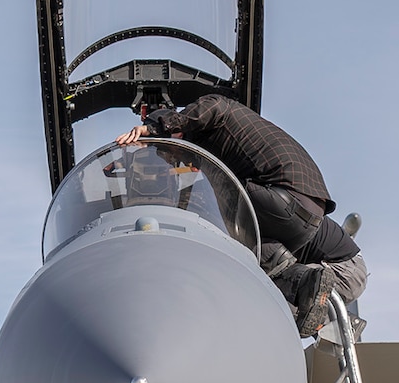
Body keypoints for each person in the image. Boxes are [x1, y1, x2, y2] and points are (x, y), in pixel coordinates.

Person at [116, 95, 364, 335]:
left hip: (292, 205)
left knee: (224, 204)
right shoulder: (234, 147)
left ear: (177, 132)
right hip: (303, 209)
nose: (174, 161)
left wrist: (152, 126)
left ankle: (305, 284)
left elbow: (213, 109)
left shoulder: (217, 109)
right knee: (266, 296)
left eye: (172, 154)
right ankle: (310, 291)